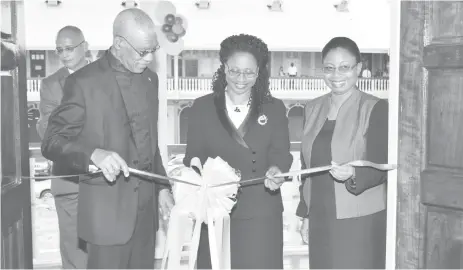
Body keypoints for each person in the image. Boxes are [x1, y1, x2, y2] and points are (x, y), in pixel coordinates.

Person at [41, 8, 174, 269]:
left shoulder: (150, 79)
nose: (149, 58)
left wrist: (162, 187)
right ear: (119, 44)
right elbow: (52, 142)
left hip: (146, 214)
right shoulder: (83, 82)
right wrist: (93, 154)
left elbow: (149, 141)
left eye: (153, 49)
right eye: (142, 51)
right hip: (107, 216)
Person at [183, 34, 293, 269]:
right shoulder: (202, 108)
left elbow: (282, 153)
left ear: (259, 72)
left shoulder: (274, 108)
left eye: (249, 73)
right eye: (234, 71)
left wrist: (277, 169)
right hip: (214, 214)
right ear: (223, 68)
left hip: (262, 214)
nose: (241, 79)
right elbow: (192, 159)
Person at [296, 36, 388, 269]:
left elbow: (383, 164)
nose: (336, 75)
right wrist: (306, 214)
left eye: (345, 67)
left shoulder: (376, 108)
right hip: (319, 215)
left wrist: (354, 173)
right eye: (329, 68)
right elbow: (306, 166)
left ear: (358, 68)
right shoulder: (312, 108)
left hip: (360, 217)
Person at [36, 25, 89, 269]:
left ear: (84, 46)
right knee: (74, 249)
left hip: (111, 179)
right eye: (59, 50)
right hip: (69, 178)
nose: (64, 54)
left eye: (69, 48)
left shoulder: (108, 76)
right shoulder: (50, 84)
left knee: (109, 252)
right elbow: (49, 131)